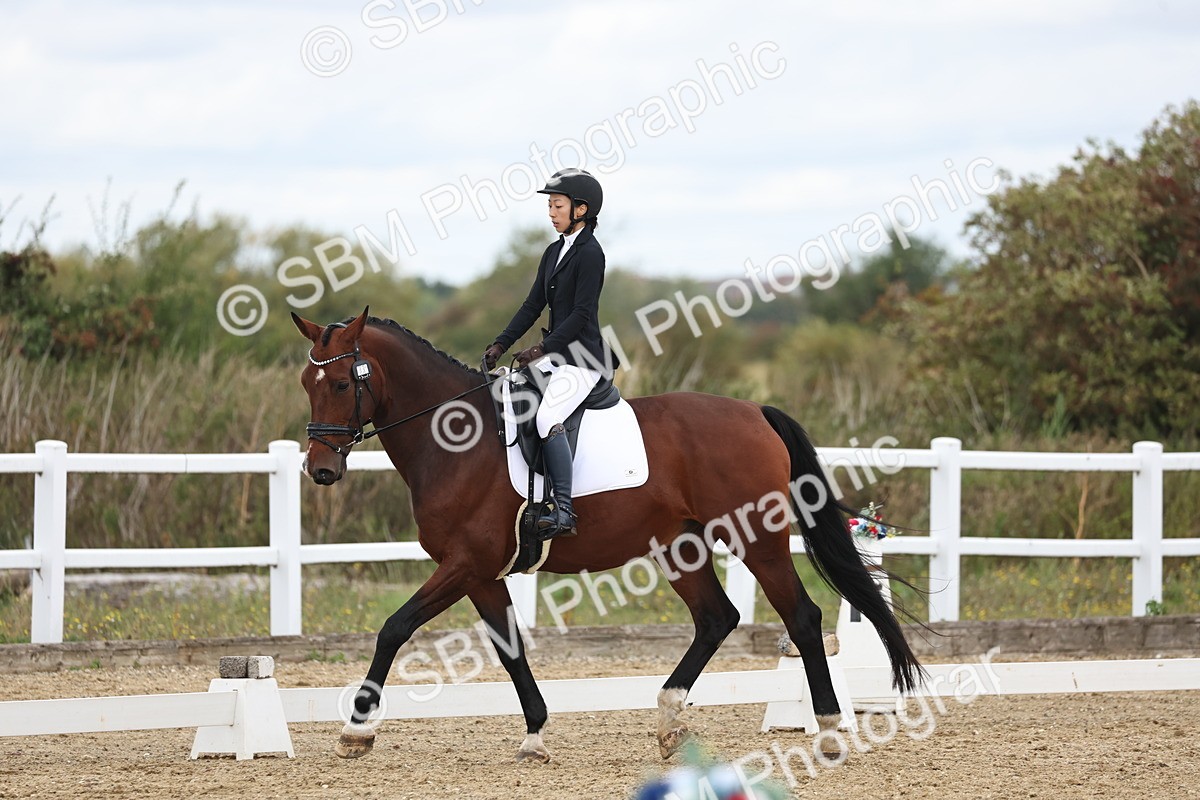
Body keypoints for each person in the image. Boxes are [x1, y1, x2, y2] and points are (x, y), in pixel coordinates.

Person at [482, 168, 620, 540]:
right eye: (550, 205)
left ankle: (563, 510)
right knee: (508, 398)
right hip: (558, 356)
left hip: (584, 359)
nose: (551, 212)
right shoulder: (553, 251)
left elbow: (581, 314)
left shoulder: (591, 254)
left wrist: (543, 347)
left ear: (581, 209)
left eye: (557, 205)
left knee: (546, 418)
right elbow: (533, 305)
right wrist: (502, 343)